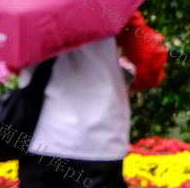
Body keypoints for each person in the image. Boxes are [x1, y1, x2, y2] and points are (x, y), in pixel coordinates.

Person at [17, 10, 166, 188]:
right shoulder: (108, 2)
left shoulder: (22, 5)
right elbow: (151, 57)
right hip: (98, 139)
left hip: (39, 135)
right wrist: (134, 84)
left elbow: (13, 62)